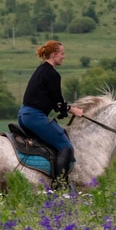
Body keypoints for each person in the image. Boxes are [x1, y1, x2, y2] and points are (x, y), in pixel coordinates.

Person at [17, 40, 84, 193]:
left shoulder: (41, 69)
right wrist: (74, 110)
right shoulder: (52, 74)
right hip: (34, 117)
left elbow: (54, 103)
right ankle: (59, 186)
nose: (64, 57)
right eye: (62, 54)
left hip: (24, 115)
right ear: (54, 55)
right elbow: (58, 103)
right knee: (65, 146)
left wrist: (63, 109)